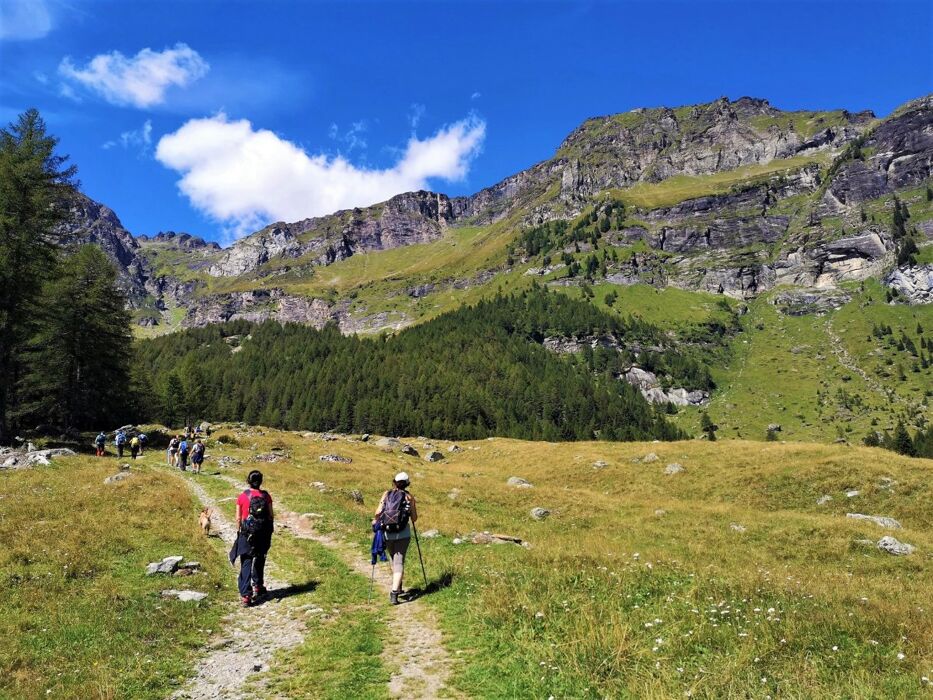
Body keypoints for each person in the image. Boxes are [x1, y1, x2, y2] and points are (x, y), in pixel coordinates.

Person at [229, 470, 274, 607]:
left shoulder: (242, 496)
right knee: (260, 559)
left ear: (248, 481)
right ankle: (258, 586)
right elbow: (271, 515)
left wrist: (240, 531)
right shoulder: (266, 496)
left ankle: (246, 595)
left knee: (246, 561)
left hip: (247, 533)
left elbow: (238, 518)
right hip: (263, 533)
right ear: (261, 481)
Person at [373, 471, 418, 605]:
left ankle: (398, 587)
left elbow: (377, 513)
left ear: (394, 482)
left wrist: (377, 521)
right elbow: (414, 518)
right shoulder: (409, 497)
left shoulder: (386, 494)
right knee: (399, 562)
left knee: (394, 560)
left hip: (387, 534)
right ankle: (394, 592)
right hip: (403, 534)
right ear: (407, 483)